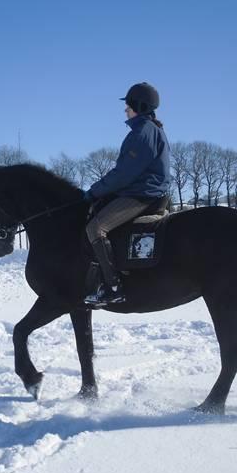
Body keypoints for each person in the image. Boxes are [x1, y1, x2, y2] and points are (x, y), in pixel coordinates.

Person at [83, 82, 171, 306]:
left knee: (96, 227)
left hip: (141, 195)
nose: (125, 110)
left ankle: (113, 287)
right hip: (145, 191)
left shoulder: (142, 132)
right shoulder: (150, 130)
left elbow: (123, 174)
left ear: (139, 107)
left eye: (129, 105)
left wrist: (94, 192)